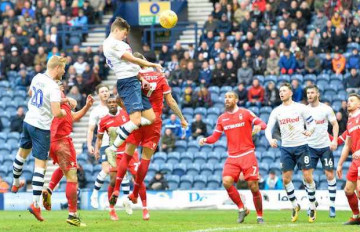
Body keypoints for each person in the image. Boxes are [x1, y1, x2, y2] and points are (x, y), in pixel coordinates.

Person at [109, 52, 187, 221]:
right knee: (145, 160)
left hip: (137, 118)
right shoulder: (159, 77)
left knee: (127, 155)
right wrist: (181, 119)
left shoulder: (132, 77)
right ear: (145, 60)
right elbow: (171, 101)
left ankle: (116, 188)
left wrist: (129, 111)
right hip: (154, 121)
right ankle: (135, 194)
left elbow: (120, 100)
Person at [11, 56, 67, 221]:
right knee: (40, 166)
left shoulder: (37, 77)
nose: (64, 71)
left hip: (28, 121)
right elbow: (57, 113)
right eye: (63, 68)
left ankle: (15, 182)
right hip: (41, 127)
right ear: (57, 68)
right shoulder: (54, 87)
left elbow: (31, 93)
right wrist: (66, 108)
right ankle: (35, 204)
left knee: (21, 154)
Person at [199, 91, 267, 224]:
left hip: (247, 154)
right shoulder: (222, 118)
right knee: (226, 182)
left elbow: (263, 124)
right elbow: (215, 137)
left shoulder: (246, 113)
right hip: (232, 157)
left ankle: (259, 216)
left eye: (230, 97)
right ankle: (242, 208)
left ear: (236, 100)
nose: (227, 99)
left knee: (253, 186)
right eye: (225, 97)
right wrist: (205, 139)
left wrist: (258, 126)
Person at [103, 17, 162, 160]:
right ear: (116, 30)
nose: (125, 36)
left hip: (134, 80)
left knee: (151, 118)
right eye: (124, 33)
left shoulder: (119, 42)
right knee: (135, 121)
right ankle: (112, 148)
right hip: (127, 82)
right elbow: (133, 59)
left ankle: (118, 129)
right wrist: (152, 65)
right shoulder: (111, 44)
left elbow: (132, 66)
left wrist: (141, 78)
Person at [42, 82, 94, 227]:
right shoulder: (55, 96)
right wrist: (67, 100)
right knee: (72, 177)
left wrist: (87, 106)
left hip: (53, 141)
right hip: (62, 141)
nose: (62, 87)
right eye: (59, 84)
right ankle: (73, 215)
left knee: (64, 168)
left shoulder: (60, 98)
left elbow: (73, 116)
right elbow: (54, 102)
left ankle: (49, 189)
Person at [265, 82, 317, 223]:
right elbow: (268, 128)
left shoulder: (300, 107)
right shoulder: (276, 111)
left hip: (302, 146)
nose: (281, 93)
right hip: (286, 148)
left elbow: (312, 123)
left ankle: (312, 206)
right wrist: (270, 140)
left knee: (307, 177)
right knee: (286, 179)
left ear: (291, 93)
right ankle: (295, 206)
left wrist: (309, 131)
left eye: (284, 90)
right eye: (280, 91)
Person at [95, 95, 142, 221]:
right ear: (106, 104)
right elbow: (99, 138)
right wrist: (97, 150)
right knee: (113, 181)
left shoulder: (126, 114)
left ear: (117, 103)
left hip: (129, 150)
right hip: (115, 152)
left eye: (113, 102)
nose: (112, 104)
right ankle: (112, 209)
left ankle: (128, 200)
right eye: (109, 102)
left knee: (137, 177)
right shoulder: (103, 120)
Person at [88, 84, 132, 213]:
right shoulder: (96, 112)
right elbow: (91, 130)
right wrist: (92, 145)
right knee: (106, 169)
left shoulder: (119, 109)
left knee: (119, 176)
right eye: (102, 91)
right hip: (106, 145)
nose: (105, 93)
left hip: (121, 145)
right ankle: (95, 194)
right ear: (98, 94)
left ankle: (124, 201)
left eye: (106, 91)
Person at [306, 85, 339, 218]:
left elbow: (335, 124)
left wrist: (335, 140)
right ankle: (312, 204)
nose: (309, 95)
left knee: (329, 175)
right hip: (310, 147)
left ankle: (331, 205)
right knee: (307, 177)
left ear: (317, 94)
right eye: (308, 93)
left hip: (325, 146)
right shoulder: (304, 110)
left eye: (312, 92)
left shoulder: (326, 109)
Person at [336, 94, 360, 225]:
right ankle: (356, 217)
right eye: (348, 100)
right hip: (355, 161)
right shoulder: (350, 121)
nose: (348, 103)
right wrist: (340, 164)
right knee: (348, 190)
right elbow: (347, 144)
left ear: (359, 104)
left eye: (352, 100)